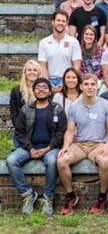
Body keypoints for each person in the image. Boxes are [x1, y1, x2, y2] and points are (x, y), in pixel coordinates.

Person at [57, 74, 108, 215]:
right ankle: (71, 195)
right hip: (80, 144)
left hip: (98, 144)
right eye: (86, 84)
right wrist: (66, 145)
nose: (89, 87)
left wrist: (107, 146)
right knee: (61, 160)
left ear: (97, 86)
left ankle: (103, 196)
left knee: (104, 161)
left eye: (92, 84)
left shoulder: (106, 104)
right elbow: (70, 130)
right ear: (81, 86)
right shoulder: (74, 107)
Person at [7, 78, 67, 216]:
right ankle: (27, 194)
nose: (41, 89)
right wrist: (30, 148)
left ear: (50, 90)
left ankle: (48, 197)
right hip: (30, 147)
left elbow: (60, 133)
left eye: (44, 87)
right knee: (11, 161)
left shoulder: (57, 109)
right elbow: (20, 133)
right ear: (33, 91)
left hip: (50, 148)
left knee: (52, 162)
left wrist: (48, 148)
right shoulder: (26, 109)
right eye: (38, 87)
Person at [38, 10, 82, 91]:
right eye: (58, 20)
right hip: (50, 80)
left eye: (63, 21)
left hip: (68, 81)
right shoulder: (43, 42)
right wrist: (48, 85)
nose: (60, 23)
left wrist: (68, 82)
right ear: (53, 22)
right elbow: (43, 66)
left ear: (66, 24)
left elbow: (77, 66)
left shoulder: (74, 42)